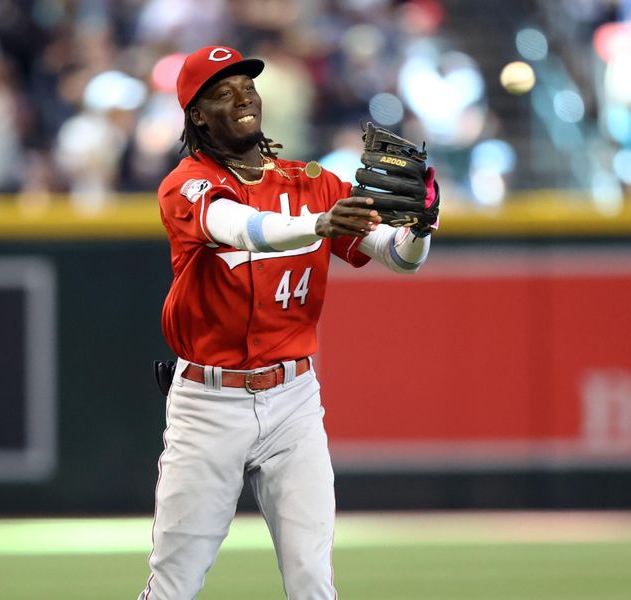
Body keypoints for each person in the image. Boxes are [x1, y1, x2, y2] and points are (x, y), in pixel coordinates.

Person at [139, 45, 439, 600]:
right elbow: (244, 228)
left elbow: (398, 257)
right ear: (197, 115)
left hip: (294, 400)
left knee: (313, 583)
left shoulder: (311, 180)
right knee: (175, 584)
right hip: (209, 404)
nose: (243, 96)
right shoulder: (186, 184)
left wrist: (420, 223)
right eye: (222, 92)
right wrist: (320, 222)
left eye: (247, 85)